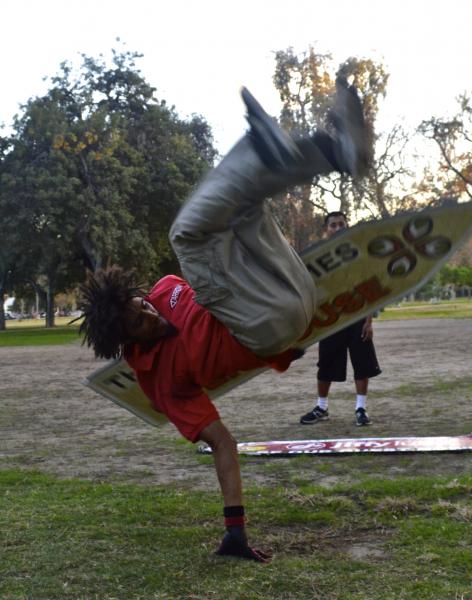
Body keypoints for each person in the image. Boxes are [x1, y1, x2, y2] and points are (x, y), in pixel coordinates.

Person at [78, 77, 369, 561]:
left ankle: (328, 151)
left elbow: (226, 276)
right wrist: (235, 530)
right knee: (186, 236)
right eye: (137, 321)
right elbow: (221, 443)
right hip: (269, 327)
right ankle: (267, 150)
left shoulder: (167, 290)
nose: (148, 311)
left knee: (241, 206)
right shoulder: (161, 385)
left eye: (141, 303)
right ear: (126, 341)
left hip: (291, 289)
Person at [299, 211, 382, 427]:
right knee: (326, 363)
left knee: (362, 364)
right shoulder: (320, 257)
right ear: (326, 229)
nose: (338, 228)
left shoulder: (359, 255)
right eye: (333, 225)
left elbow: (369, 288)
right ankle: (322, 407)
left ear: (347, 225)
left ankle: (361, 408)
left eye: (341, 224)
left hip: (357, 316)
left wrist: (369, 320)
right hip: (332, 319)